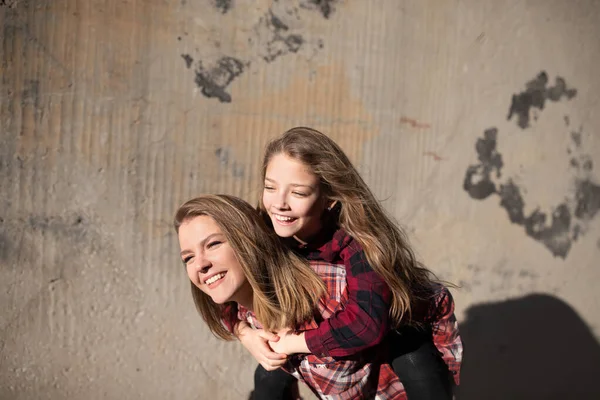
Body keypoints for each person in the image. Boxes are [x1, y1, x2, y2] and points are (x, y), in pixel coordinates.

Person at [235, 127, 462, 399]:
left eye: (298, 193)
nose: (279, 203)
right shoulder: (263, 230)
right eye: (270, 187)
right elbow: (220, 285)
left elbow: (365, 323)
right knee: (267, 375)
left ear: (329, 198)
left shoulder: (360, 241)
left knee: (415, 359)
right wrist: (245, 334)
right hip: (317, 338)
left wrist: (293, 342)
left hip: (390, 335)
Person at [174, 194, 408, 399]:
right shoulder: (243, 311)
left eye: (213, 244)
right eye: (188, 258)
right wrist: (243, 333)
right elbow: (219, 311)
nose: (200, 265)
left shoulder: (328, 292)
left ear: (247, 239)